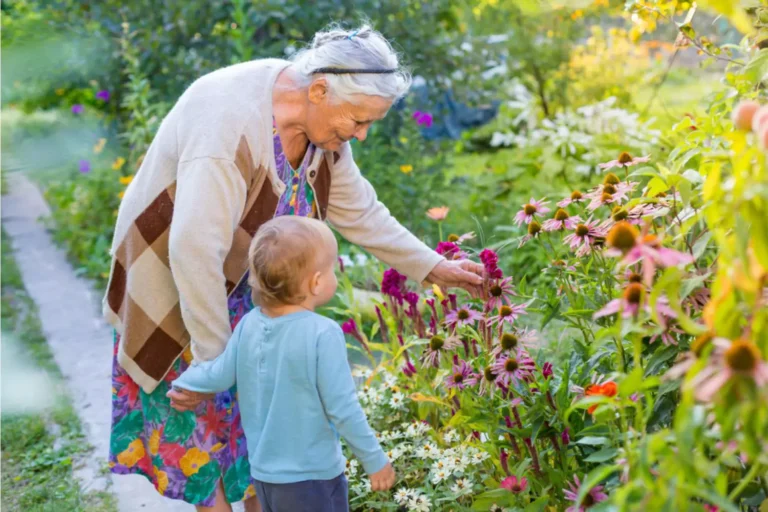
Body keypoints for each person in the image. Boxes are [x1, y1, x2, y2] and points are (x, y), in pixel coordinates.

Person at [104, 23, 483, 511]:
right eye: (358, 120)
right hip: (179, 281)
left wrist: (433, 268)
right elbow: (195, 251)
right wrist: (220, 364)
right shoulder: (230, 121)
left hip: (252, 281)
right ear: (320, 89)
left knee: (253, 430)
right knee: (204, 446)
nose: (361, 135)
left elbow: (360, 211)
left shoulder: (322, 129)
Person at [169, 216, 394, 512]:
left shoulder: (249, 324)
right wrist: (374, 459)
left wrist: (185, 384)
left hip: (265, 477)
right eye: (330, 269)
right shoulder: (323, 334)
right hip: (313, 478)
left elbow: (219, 373)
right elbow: (343, 408)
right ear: (315, 282)